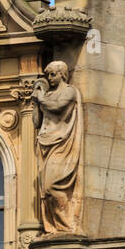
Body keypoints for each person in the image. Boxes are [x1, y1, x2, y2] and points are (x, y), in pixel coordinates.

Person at [32, 60, 82, 234]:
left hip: (61, 144)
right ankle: (52, 228)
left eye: (52, 74)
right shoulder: (48, 96)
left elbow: (57, 107)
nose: (50, 78)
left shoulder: (69, 91)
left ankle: (66, 227)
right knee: (45, 191)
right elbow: (36, 121)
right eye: (48, 75)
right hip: (44, 143)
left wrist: (41, 98)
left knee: (53, 186)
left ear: (62, 74)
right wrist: (35, 101)